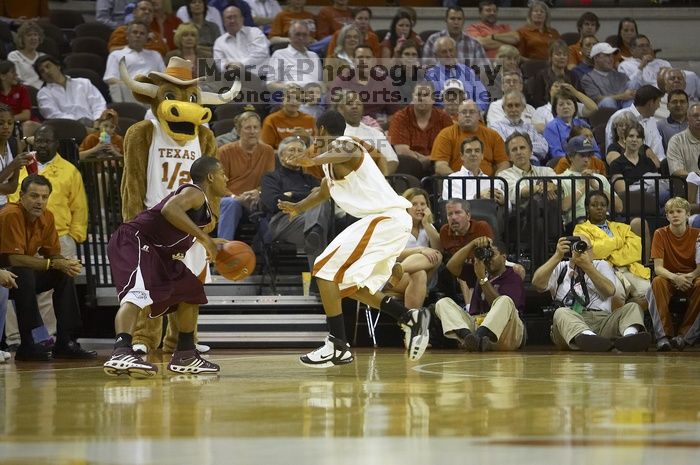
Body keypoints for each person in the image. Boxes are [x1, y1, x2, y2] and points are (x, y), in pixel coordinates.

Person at [278, 110, 431, 367]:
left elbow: (342, 154)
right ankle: (408, 317)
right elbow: (323, 192)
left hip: (386, 219)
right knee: (348, 286)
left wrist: (308, 157)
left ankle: (338, 344)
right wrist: (298, 208)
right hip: (383, 223)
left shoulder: (346, 145)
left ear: (322, 130)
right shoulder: (330, 164)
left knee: (324, 271)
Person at [103, 157, 229, 377]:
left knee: (191, 291)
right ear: (210, 177)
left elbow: (176, 228)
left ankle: (186, 355)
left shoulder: (202, 205)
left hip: (158, 252)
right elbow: (169, 210)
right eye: (222, 174)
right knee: (136, 294)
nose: (226, 178)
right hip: (135, 240)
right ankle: (121, 351)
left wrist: (209, 241)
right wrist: (204, 238)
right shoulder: (195, 192)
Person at [0, 175, 96, 361]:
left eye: (44, 197)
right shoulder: (11, 214)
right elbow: (14, 258)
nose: (40, 202)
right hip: (4, 275)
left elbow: (53, 255)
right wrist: (53, 263)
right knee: (24, 274)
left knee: (63, 273)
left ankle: (67, 341)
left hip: (16, 277)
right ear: (21, 196)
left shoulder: (47, 216)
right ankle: (30, 343)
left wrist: (67, 264)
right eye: (34, 196)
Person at [531, 236, 651, 352]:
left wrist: (587, 267)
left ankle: (629, 338)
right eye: (577, 247)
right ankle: (587, 337)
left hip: (603, 322)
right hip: (570, 325)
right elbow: (537, 284)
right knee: (560, 312)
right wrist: (557, 256)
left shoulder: (601, 265)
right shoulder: (561, 267)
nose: (580, 250)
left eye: (584, 247)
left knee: (632, 307)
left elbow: (609, 291)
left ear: (592, 251)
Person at [435, 237, 525, 352]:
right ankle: (468, 337)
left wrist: (482, 278)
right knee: (443, 303)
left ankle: (478, 337)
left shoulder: (513, 277)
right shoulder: (479, 270)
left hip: (506, 332)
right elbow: (451, 267)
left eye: (492, 254)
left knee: (505, 300)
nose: (489, 259)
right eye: (486, 255)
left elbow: (501, 309)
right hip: (477, 327)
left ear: (504, 257)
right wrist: (472, 244)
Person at [260, 136, 331, 271]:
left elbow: (326, 196)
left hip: (309, 220)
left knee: (321, 207)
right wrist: (308, 195)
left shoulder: (310, 179)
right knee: (319, 203)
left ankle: (314, 231)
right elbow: (274, 202)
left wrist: (292, 194)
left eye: (300, 151)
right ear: (281, 156)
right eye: (291, 150)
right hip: (284, 220)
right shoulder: (271, 177)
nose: (296, 154)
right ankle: (321, 283)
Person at [573, 190, 649, 310]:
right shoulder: (581, 229)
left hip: (628, 268)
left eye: (603, 205)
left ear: (607, 208)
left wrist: (610, 255)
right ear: (587, 208)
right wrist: (618, 243)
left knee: (648, 292)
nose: (599, 208)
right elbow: (594, 252)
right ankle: (620, 321)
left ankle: (628, 315)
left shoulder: (621, 227)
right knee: (615, 296)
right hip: (603, 270)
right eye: (594, 205)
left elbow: (635, 250)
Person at [647, 197, 700, 351]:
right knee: (657, 282)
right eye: (671, 212)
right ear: (667, 216)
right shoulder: (660, 234)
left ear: (687, 214)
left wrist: (688, 277)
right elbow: (658, 268)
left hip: (691, 277)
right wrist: (676, 278)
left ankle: (684, 337)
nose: (675, 215)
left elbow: (699, 267)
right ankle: (663, 336)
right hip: (669, 277)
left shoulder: (697, 234)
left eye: (679, 211)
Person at [218, 111, 275, 241]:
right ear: (238, 131)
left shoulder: (268, 151)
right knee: (231, 204)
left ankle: (268, 253)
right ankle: (223, 251)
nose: (252, 131)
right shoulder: (224, 151)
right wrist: (235, 197)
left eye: (256, 127)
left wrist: (258, 192)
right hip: (230, 199)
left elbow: (269, 182)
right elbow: (219, 185)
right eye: (248, 128)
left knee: (267, 203)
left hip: (255, 200)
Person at [431, 100, 509, 177]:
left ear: (478, 115)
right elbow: (440, 166)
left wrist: (495, 182)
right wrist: (458, 180)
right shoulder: (445, 135)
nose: (467, 115)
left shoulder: (493, 135)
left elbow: (504, 164)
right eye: (464, 112)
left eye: (472, 112)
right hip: (456, 185)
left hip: (488, 185)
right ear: (457, 115)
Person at [389, 81, 452, 175]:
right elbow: (402, 151)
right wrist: (430, 158)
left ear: (433, 99)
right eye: (418, 95)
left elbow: (450, 149)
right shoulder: (400, 117)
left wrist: (428, 159)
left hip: (437, 165)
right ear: (412, 98)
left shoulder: (444, 118)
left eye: (426, 95)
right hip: (411, 167)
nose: (421, 98)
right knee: (405, 161)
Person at [335, 89, 398, 174]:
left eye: (358, 104)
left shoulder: (375, 133)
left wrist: (381, 178)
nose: (355, 106)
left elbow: (392, 160)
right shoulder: (334, 133)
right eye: (349, 103)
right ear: (340, 108)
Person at [104, 21, 166, 104]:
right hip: (128, 90)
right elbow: (110, 78)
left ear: (147, 38)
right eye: (135, 32)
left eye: (142, 33)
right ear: (127, 36)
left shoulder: (155, 55)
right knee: (117, 87)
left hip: (151, 92)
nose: (138, 35)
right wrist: (134, 85)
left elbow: (164, 77)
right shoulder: (116, 55)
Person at [424, 36, 489, 112]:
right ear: (436, 55)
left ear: (456, 51)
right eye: (444, 52)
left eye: (451, 50)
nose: (449, 55)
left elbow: (483, 97)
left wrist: (473, 111)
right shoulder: (431, 76)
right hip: (444, 118)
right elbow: (428, 104)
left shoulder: (468, 71)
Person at [604, 84, 665, 160]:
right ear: (651, 103)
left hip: (652, 166)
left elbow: (659, 150)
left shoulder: (652, 121)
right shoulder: (619, 116)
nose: (658, 106)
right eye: (658, 102)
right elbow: (610, 145)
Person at [441, 136, 506, 206]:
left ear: (482, 155)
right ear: (461, 156)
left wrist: (503, 201)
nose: (473, 154)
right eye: (468, 151)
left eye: (477, 151)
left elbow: (509, 208)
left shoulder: (492, 181)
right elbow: (450, 204)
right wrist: (477, 197)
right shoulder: (451, 179)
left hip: (487, 216)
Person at [489, 90, 548, 164]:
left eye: (517, 105)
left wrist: (517, 148)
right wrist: (528, 149)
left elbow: (543, 148)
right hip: (511, 165)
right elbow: (504, 149)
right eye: (510, 106)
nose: (514, 109)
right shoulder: (496, 127)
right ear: (503, 108)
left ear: (523, 108)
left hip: (533, 164)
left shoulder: (530, 127)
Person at [266, 20, 323, 93]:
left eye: (305, 35)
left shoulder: (314, 55)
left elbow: (320, 82)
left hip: (315, 97)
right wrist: (294, 88)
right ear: (290, 36)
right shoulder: (279, 54)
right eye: (297, 34)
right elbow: (271, 85)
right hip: (291, 95)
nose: (301, 38)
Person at [213, 5, 269, 76]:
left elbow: (261, 54)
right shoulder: (219, 42)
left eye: (235, 17)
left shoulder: (255, 32)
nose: (232, 20)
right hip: (234, 80)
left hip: (261, 77)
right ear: (224, 21)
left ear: (242, 19)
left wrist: (240, 64)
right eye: (229, 18)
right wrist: (227, 67)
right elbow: (219, 64)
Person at [422, 7, 487, 67]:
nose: (456, 22)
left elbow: (485, 69)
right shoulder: (433, 40)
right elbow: (426, 68)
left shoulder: (474, 43)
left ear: (463, 21)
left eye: (459, 19)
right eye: (452, 19)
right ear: (446, 20)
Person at [543, 90, 597, 160]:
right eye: (561, 104)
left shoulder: (583, 124)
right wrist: (576, 159)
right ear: (555, 109)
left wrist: (593, 159)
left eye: (569, 103)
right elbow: (556, 154)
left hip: (588, 161)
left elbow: (595, 150)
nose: (565, 107)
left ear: (575, 108)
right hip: (566, 164)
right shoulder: (551, 127)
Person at [580, 43, 634, 111]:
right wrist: (622, 96)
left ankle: (630, 121)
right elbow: (597, 99)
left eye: (612, 56)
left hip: (624, 108)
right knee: (607, 101)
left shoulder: (621, 75)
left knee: (632, 93)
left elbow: (630, 95)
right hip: (602, 113)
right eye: (607, 55)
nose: (611, 59)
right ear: (596, 58)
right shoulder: (588, 78)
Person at [260, 83, 315, 149]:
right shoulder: (271, 120)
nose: (293, 101)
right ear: (283, 99)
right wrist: (288, 153)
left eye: (297, 98)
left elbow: (319, 148)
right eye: (289, 97)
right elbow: (265, 150)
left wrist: (308, 137)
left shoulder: (310, 120)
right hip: (279, 158)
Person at [6, 21, 45, 90]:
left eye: (35, 35)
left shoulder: (43, 57)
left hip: (45, 92)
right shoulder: (14, 55)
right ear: (22, 39)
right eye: (29, 35)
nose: (33, 38)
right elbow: (16, 79)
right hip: (24, 91)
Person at [666, 102, 700, 177]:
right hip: (687, 187)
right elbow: (677, 171)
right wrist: (696, 179)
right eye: (695, 116)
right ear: (688, 119)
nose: (699, 119)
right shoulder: (676, 141)